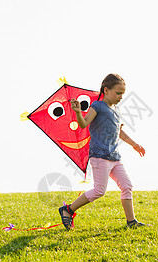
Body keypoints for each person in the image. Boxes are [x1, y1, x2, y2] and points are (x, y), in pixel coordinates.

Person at [59, 73, 146, 230]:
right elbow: (84, 124)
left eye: (123, 94)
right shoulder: (97, 106)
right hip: (100, 156)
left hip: (115, 157)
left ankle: (131, 221)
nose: (120, 97)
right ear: (106, 90)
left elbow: (119, 132)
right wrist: (78, 112)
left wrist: (135, 144)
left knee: (127, 186)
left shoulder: (116, 110)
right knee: (99, 191)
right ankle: (68, 209)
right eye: (118, 93)